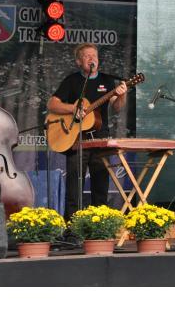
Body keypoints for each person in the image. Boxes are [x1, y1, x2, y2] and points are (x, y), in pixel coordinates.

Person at [47, 43, 127, 220]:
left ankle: (99, 225)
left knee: (101, 186)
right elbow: (52, 104)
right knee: (74, 187)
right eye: (87, 56)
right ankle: (72, 226)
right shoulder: (72, 81)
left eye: (94, 55)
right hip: (77, 139)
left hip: (100, 139)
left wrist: (122, 95)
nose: (92, 58)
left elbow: (117, 107)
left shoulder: (107, 80)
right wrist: (73, 109)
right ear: (78, 61)